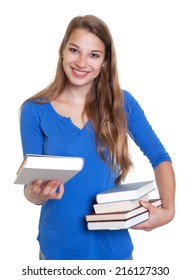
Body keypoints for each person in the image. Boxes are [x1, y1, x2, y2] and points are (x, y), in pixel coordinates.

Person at [19, 14, 175, 260]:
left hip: (114, 253)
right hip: (57, 253)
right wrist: (37, 194)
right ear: (62, 51)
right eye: (74, 50)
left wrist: (168, 210)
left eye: (94, 54)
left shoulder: (122, 103)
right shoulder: (34, 110)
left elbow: (160, 157)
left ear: (105, 61)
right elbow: (32, 187)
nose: (81, 62)